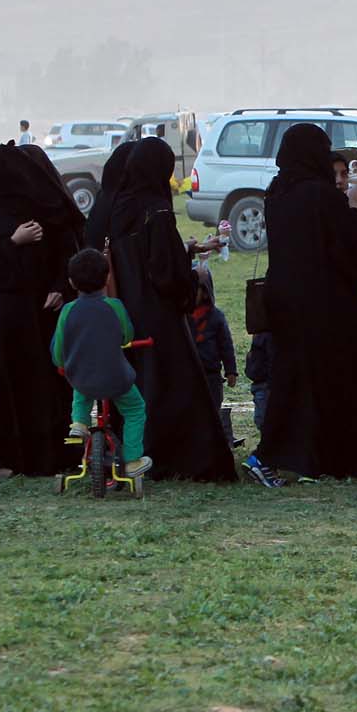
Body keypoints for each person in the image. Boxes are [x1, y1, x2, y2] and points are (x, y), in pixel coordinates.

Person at [260, 123, 357, 479]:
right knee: (355, 377)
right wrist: (352, 208)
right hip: (328, 304)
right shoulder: (323, 197)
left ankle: (292, 456)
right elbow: (353, 255)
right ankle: (351, 455)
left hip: (285, 301)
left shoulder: (277, 192)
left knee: (298, 383)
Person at [97, 137, 236, 482]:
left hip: (127, 310)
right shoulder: (156, 209)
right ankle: (177, 459)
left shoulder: (121, 205)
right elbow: (164, 270)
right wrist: (190, 284)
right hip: (158, 314)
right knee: (172, 387)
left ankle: (137, 454)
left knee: (140, 387)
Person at [0, 143, 83, 477]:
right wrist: (13, 242)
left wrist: (61, 285)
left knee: (44, 378)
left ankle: (48, 456)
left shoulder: (41, 202)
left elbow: (67, 247)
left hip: (40, 309)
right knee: (1, 378)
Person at [51, 248, 152, 478]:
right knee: (135, 410)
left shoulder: (68, 310)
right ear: (107, 278)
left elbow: (59, 352)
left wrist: (62, 362)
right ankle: (133, 460)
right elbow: (126, 335)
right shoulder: (115, 306)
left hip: (82, 377)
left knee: (80, 385)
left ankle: (79, 422)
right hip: (116, 378)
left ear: (71, 282)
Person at [189, 266, 241, 443]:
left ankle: (215, 442)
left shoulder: (216, 317)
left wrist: (231, 370)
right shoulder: (183, 318)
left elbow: (226, 345)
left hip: (211, 375)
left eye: (194, 289)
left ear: (205, 292)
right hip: (189, 375)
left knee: (212, 411)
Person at [241, 332, 283, 486]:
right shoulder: (269, 336)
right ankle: (258, 461)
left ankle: (262, 463)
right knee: (271, 428)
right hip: (267, 387)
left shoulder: (260, 334)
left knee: (268, 428)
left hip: (261, 385)